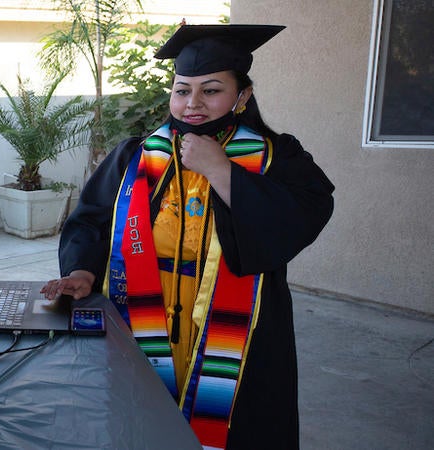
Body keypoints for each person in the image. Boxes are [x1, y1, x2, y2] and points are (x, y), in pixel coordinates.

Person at [41, 24, 334, 449]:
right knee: (139, 424)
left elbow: (306, 212)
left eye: (211, 90)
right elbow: (90, 221)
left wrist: (220, 170)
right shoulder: (136, 156)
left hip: (234, 330)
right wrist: (83, 270)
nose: (193, 103)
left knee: (235, 429)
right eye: (182, 90)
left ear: (243, 96)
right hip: (143, 315)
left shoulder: (276, 157)